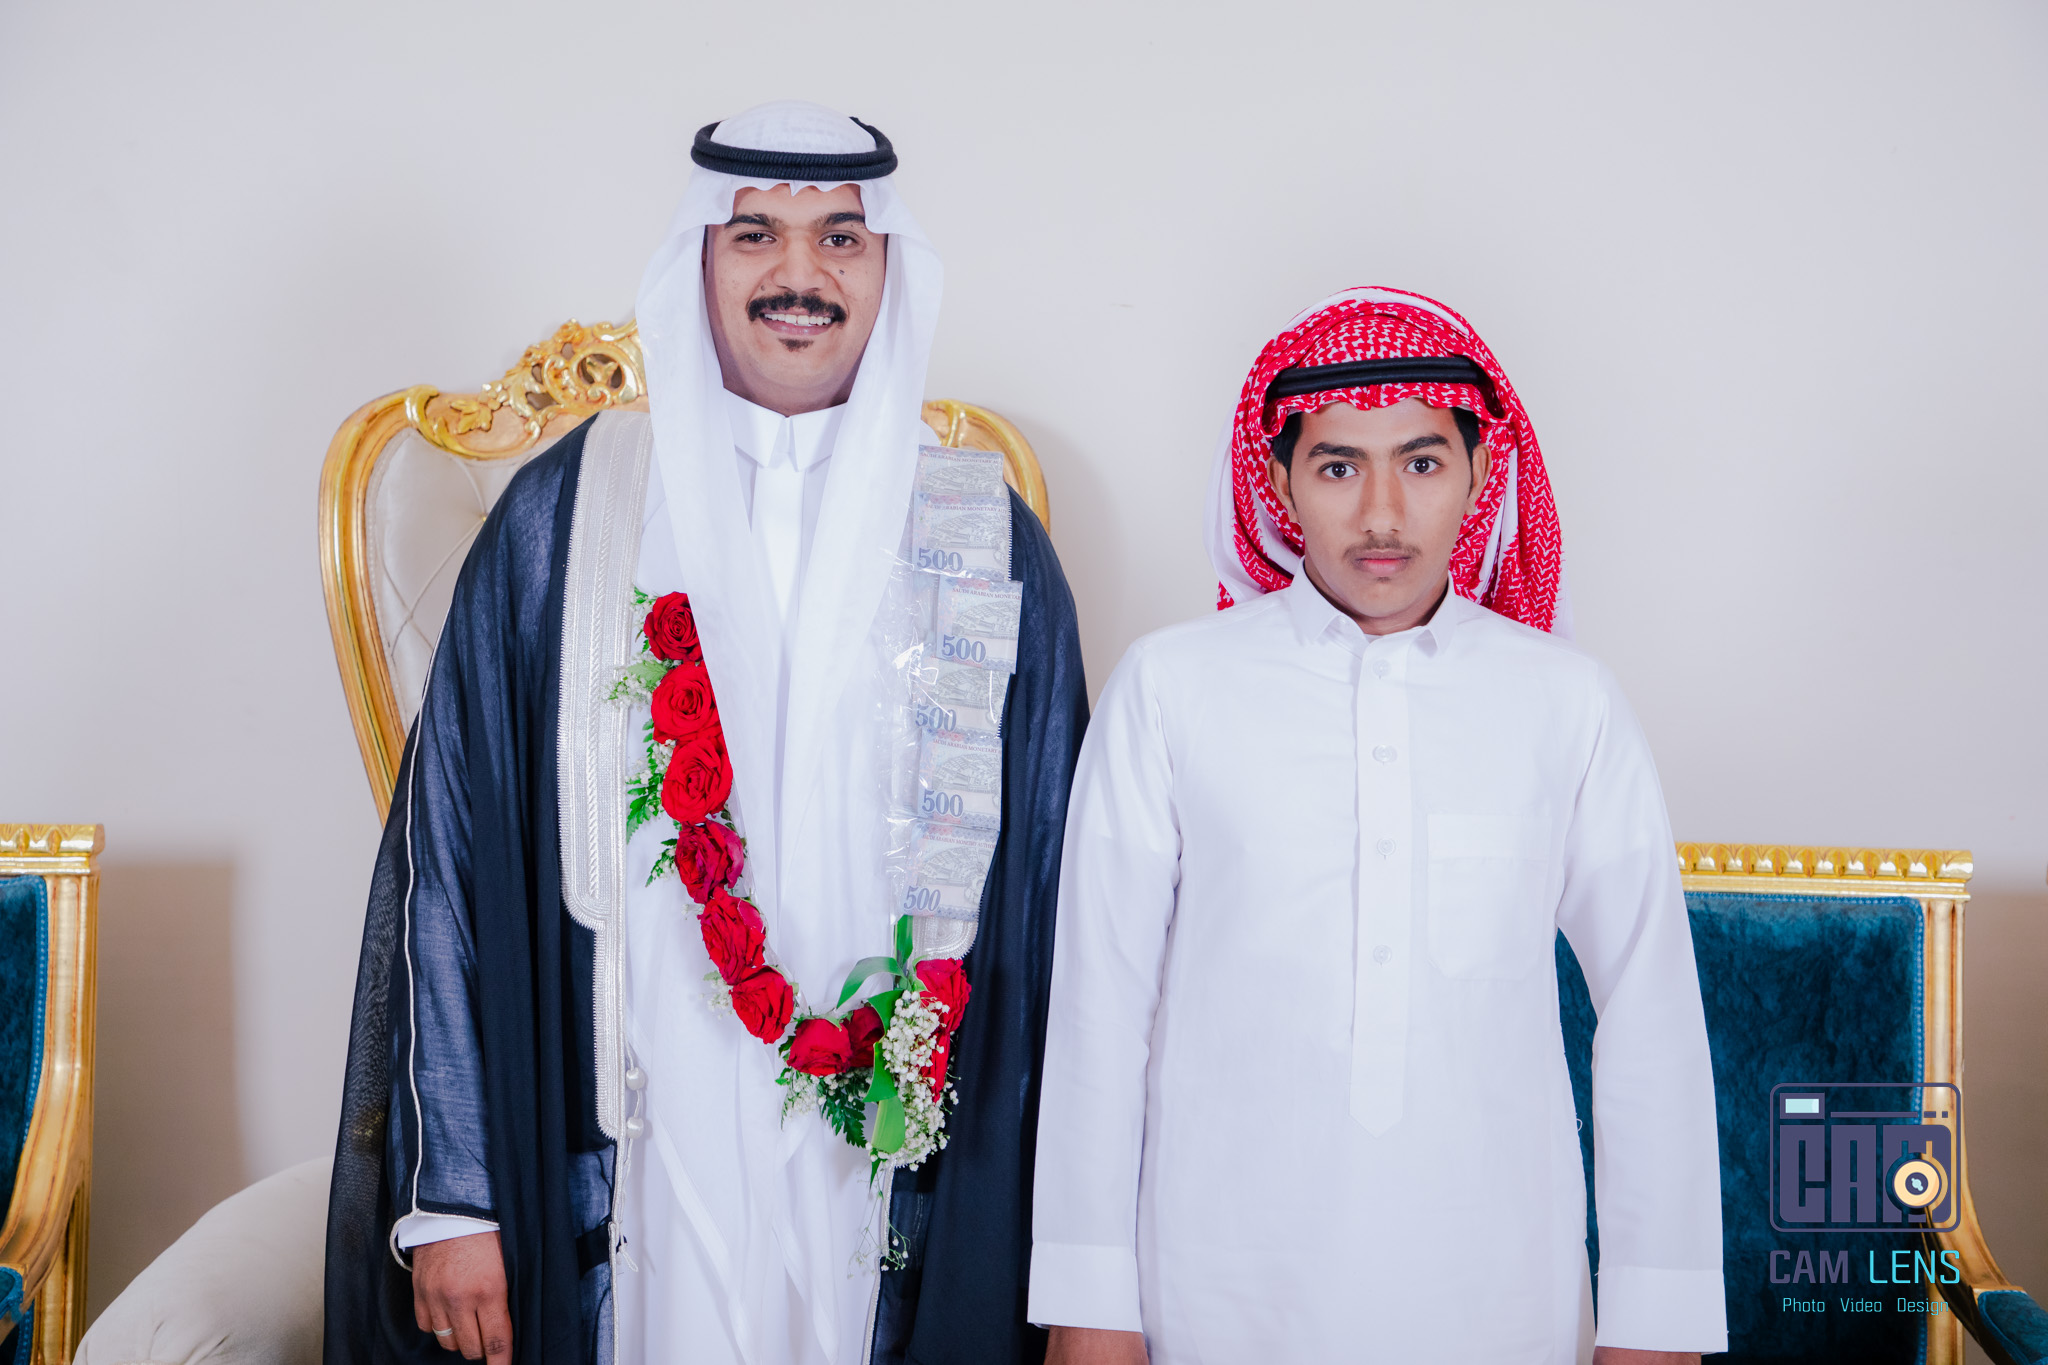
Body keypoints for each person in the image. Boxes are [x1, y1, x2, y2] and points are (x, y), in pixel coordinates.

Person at [324, 102, 1089, 1365]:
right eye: (754, 236)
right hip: (638, 1138)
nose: (799, 274)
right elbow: (447, 860)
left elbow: (1062, 905)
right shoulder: (569, 512)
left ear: (888, 268)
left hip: (889, 1155)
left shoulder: (980, 529)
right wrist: (454, 1198)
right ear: (698, 261)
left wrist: (1074, 1262)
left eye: (839, 237)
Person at [1028, 288, 1726, 1364]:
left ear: (1480, 474)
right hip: (1213, 1286)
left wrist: (1657, 1319)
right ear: (1279, 483)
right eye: (1338, 466)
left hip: (1499, 1290)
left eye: (1421, 461)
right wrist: (1088, 1304)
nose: (1382, 513)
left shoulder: (1566, 701)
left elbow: (1649, 1014)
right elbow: (1097, 1010)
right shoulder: (1169, 689)